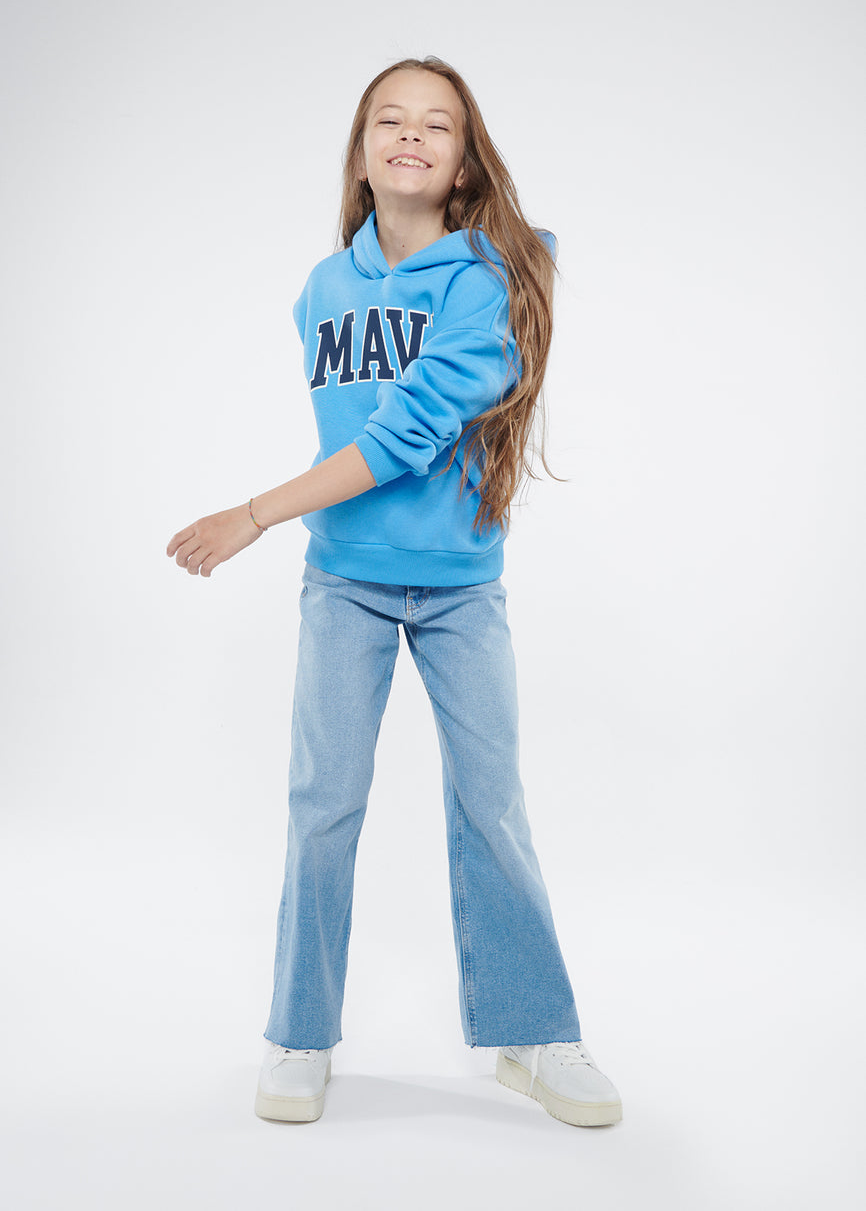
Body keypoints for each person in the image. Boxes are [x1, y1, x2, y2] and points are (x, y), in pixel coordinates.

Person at [166, 56, 622, 1129]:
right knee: (322, 805)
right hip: (345, 586)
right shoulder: (322, 290)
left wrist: (253, 513)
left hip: (461, 591)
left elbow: (402, 437)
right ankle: (299, 1034)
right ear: (362, 153)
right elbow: (351, 432)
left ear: (463, 166)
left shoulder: (487, 282)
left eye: (437, 125)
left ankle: (533, 1035)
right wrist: (297, 523)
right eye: (389, 119)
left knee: (490, 805)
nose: (410, 134)